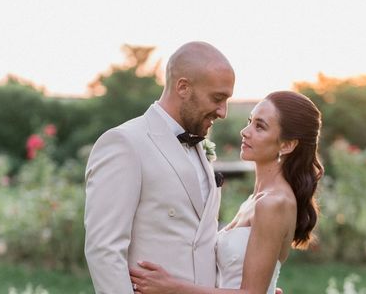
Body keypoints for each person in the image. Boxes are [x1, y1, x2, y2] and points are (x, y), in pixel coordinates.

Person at [129, 90, 324, 294]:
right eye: (250, 121)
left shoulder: (274, 202)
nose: (245, 131)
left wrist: (172, 287)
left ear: (287, 145)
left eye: (260, 127)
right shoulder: (256, 199)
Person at [84, 41, 235, 293]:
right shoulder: (124, 143)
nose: (223, 111)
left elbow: (200, 243)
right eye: (217, 98)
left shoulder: (200, 147)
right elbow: (104, 249)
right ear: (183, 87)